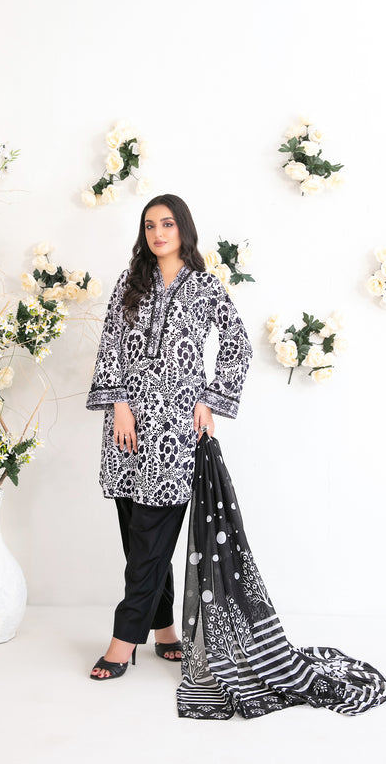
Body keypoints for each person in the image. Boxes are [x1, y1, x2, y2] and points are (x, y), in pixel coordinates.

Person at [85, 194, 253, 680]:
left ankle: (122, 641)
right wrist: (119, 403)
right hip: (126, 427)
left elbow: (238, 343)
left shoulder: (205, 286)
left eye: (167, 224)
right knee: (135, 534)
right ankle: (163, 630)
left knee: (151, 538)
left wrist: (210, 399)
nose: (158, 233)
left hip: (175, 431)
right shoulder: (130, 281)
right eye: (150, 225)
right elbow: (111, 343)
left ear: (183, 229)